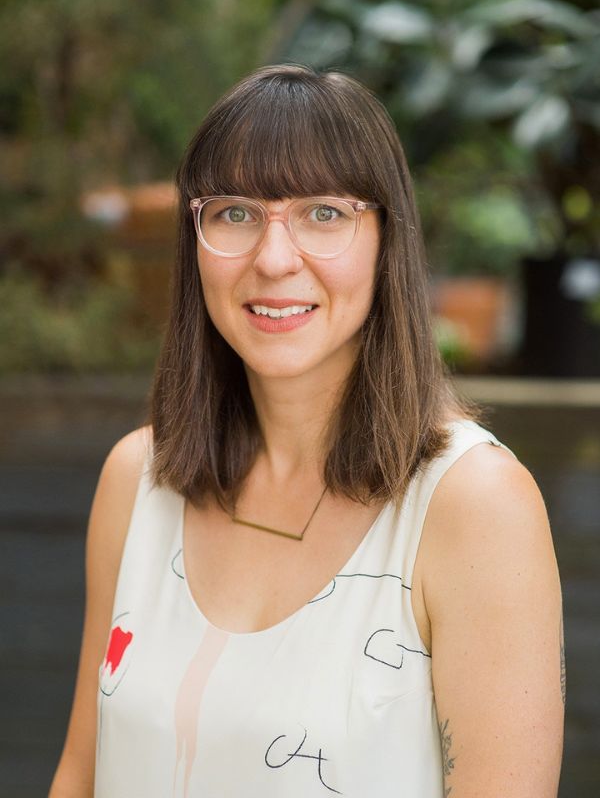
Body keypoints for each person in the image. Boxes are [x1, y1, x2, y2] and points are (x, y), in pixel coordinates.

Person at [49, 64, 564, 798]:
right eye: (235, 212)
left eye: (324, 212)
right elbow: (82, 775)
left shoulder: (475, 504)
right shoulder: (138, 478)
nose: (274, 257)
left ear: (387, 237)